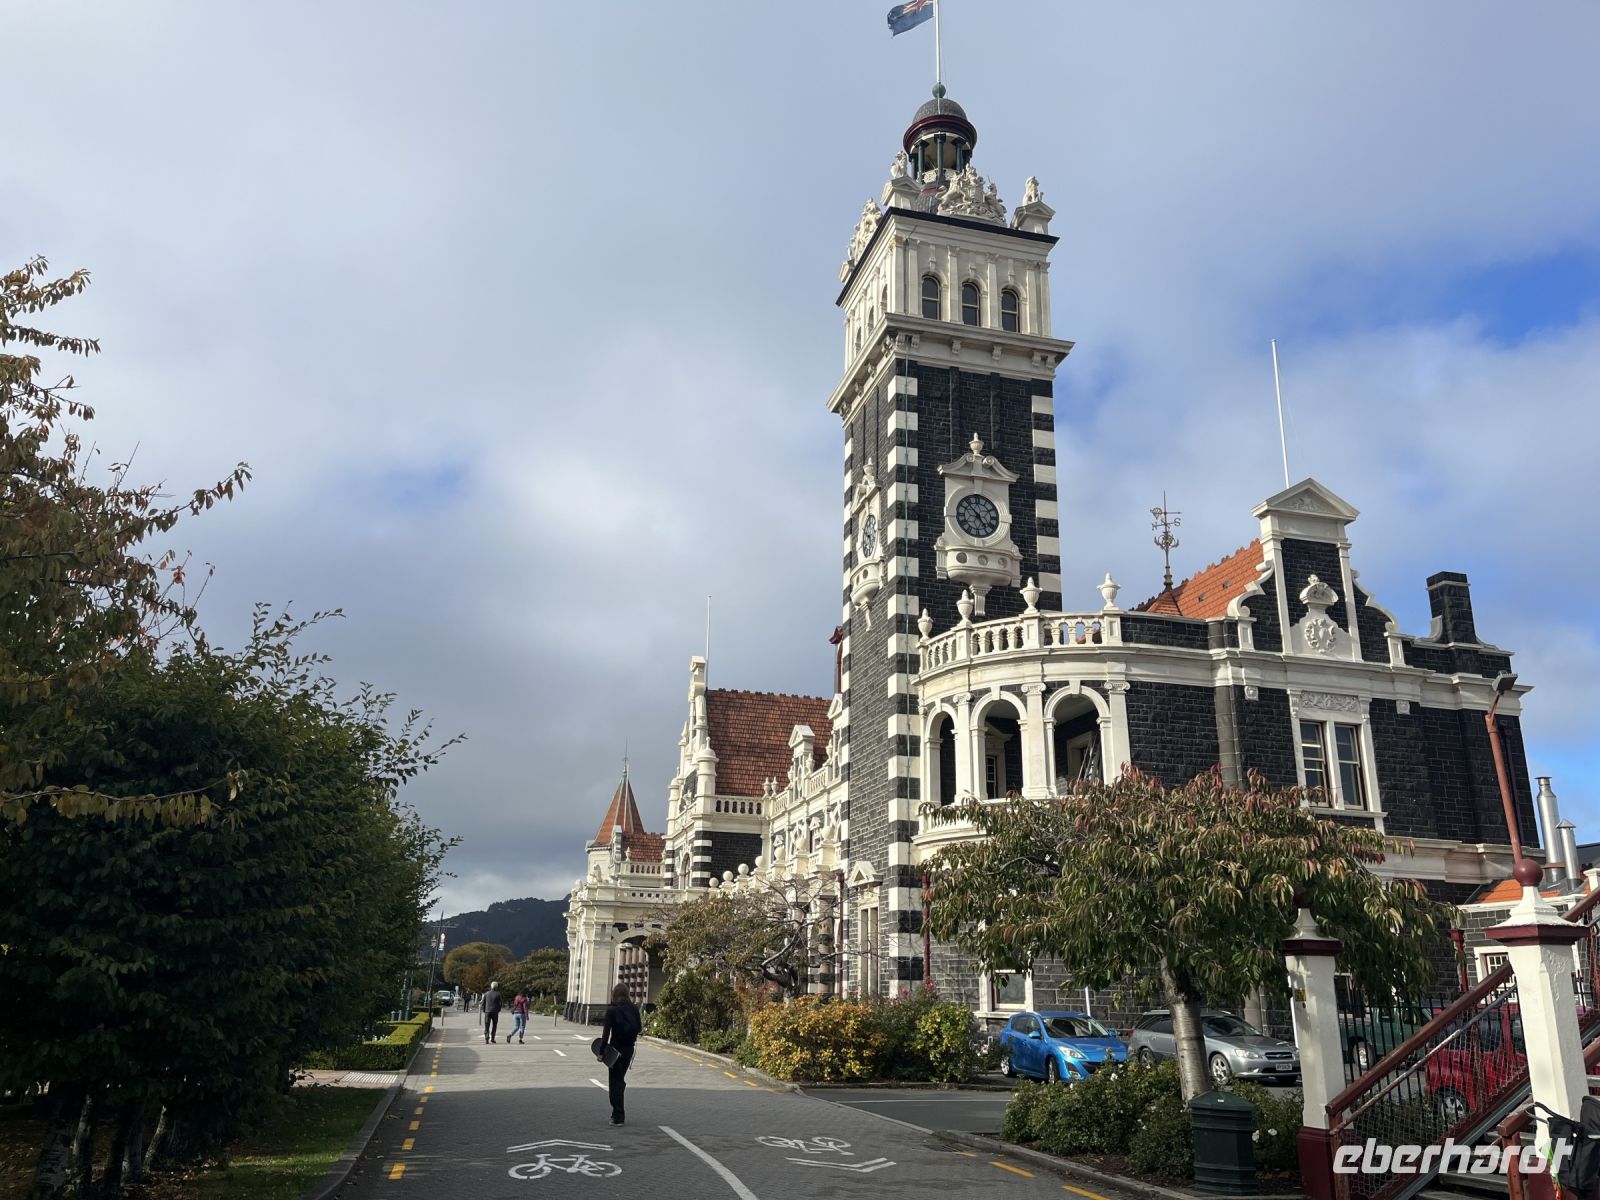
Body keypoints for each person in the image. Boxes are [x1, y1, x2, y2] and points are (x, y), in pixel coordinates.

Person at [596, 983, 641, 1126]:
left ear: (615, 994)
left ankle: (618, 1115)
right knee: (619, 1079)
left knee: (614, 1082)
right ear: (627, 994)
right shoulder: (634, 1009)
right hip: (629, 1050)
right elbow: (639, 1028)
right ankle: (618, 1112)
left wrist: (601, 1052)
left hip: (615, 1050)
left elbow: (605, 1034)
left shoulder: (612, 1011)